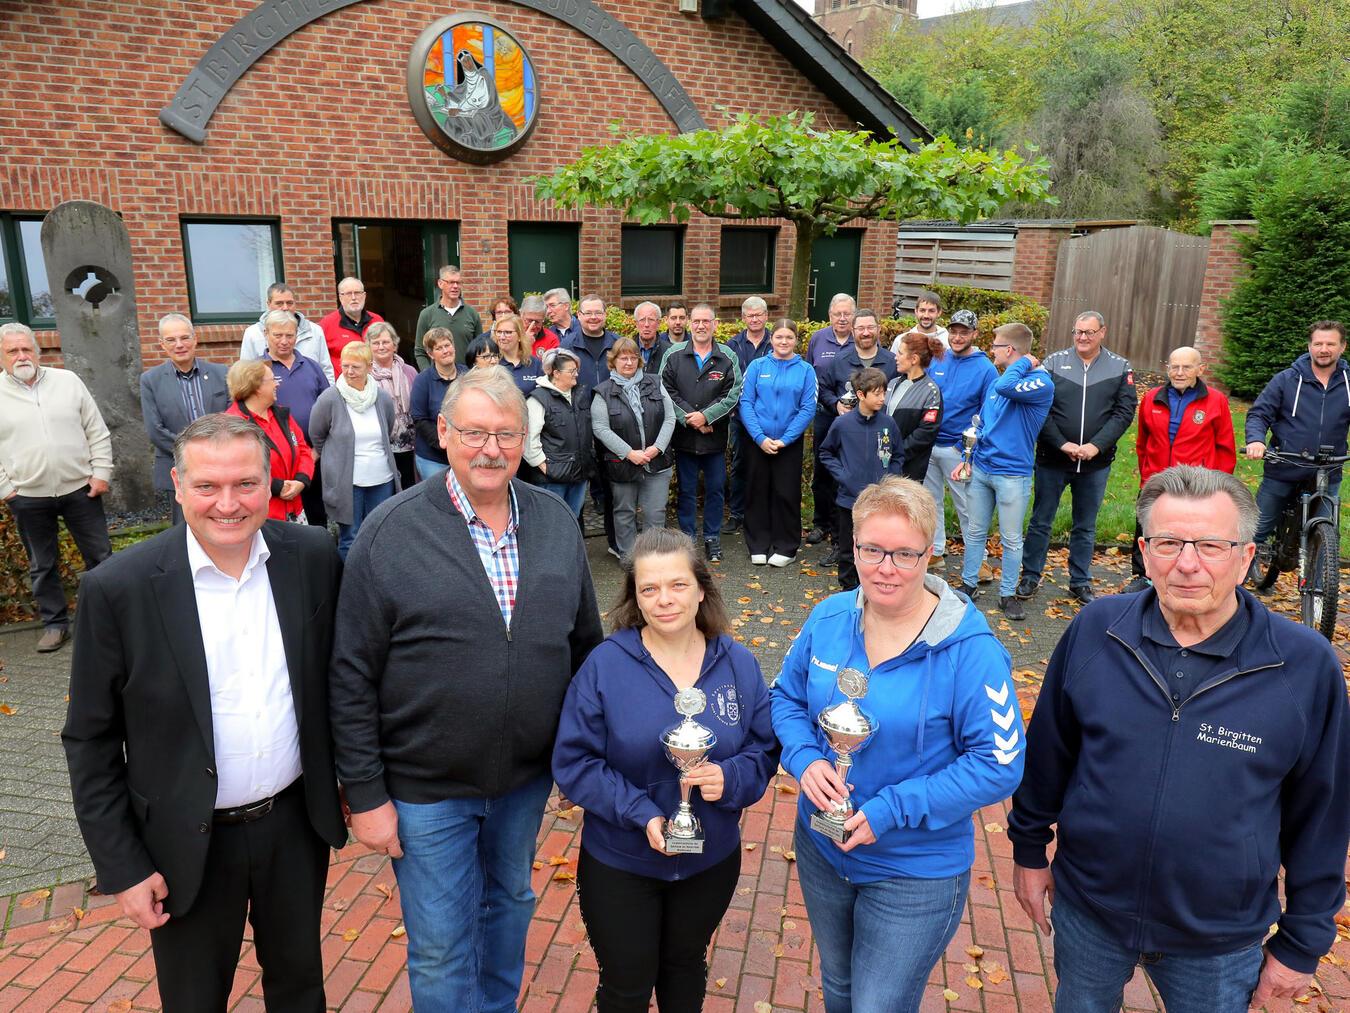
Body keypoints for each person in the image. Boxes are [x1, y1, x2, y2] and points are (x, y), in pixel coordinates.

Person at [1008, 465, 1350, 1013]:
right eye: (1168, 543)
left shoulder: (1303, 667)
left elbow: (1323, 815)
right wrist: (1028, 850)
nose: (1187, 564)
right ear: (1145, 552)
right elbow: (1049, 754)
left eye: (1211, 545)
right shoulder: (1097, 630)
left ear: (1246, 557)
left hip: (1218, 942)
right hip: (1089, 912)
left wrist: (1303, 943)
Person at [330, 367, 604, 1013]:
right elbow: (349, 671)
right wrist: (365, 792)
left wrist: (583, 756)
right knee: (442, 945)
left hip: (524, 781)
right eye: (475, 431)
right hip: (428, 788)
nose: (491, 448)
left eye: (506, 433)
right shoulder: (391, 531)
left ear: (524, 437)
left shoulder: (555, 523)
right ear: (444, 434)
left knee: (508, 910)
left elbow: (584, 648)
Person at [62, 413, 347, 1012]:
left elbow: (338, 681)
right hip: (183, 842)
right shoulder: (119, 588)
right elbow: (90, 740)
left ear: (270, 481)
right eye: (207, 486)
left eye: (245, 483)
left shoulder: (314, 556)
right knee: (193, 999)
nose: (228, 504)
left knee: (301, 987)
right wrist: (122, 865)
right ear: (177, 484)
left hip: (294, 824)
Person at [771, 475, 1025, 1013]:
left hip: (913, 868)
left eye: (905, 554)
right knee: (838, 986)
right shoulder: (828, 617)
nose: (886, 568)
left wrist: (892, 808)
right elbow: (786, 699)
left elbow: (999, 764)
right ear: (855, 545)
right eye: (872, 550)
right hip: (823, 847)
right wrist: (805, 757)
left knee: (877, 1004)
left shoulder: (972, 650)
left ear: (930, 554)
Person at [552, 527, 778, 1012]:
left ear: (701, 588)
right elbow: (575, 761)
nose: (664, 600)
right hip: (621, 861)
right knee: (626, 986)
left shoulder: (737, 664)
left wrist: (730, 778)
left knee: (685, 969)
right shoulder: (606, 665)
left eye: (677, 585)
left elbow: (763, 748)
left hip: (710, 861)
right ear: (634, 597)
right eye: (649, 588)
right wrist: (642, 813)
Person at [0, 322, 113, 653]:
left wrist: (101, 473)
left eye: (26, 349)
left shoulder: (68, 382)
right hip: (28, 496)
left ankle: (111, 619)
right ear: (1, 357)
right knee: (43, 564)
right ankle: (55, 624)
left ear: (37, 351)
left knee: (101, 558)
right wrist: (6, 489)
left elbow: (96, 429)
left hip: (81, 490)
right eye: (12, 351)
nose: (21, 356)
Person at [1018, 311, 1136, 605]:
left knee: (1086, 524)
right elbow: (1039, 408)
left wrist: (1096, 445)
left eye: (1089, 332)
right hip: (1053, 459)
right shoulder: (1054, 363)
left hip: (1096, 462)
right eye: (1078, 332)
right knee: (1041, 520)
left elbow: (1124, 412)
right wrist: (1061, 443)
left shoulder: (1120, 367)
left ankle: (1079, 581)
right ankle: (1030, 575)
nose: (1082, 337)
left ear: (1102, 333)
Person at [956, 322, 1053, 620]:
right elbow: (982, 425)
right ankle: (968, 584)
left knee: (1011, 539)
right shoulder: (999, 383)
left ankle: (1007, 594)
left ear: (1009, 350)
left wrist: (1024, 361)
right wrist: (967, 457)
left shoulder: (1040, 383)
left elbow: (1007, 386)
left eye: (996, 345)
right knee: (975, 531)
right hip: (982, 468)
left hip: (1012, 474)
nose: (991, 350)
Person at [1243, 320, 1350, 582]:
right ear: (1309, 346)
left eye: (1330, 344)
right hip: (1284, 467)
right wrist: (1256, 440)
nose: (1323, 349)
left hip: (1328, 470)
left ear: (1342, 347)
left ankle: (1318, 597)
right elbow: (1259, 414)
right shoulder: (1287, 379)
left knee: (1326, 539)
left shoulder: (1348, 383)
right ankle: (1232, 586)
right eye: (1318, 343)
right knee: (1256, 530)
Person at [1124, 345, 1235, 593]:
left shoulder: (1216, 401)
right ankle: (1143, 575)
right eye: (1174, 366)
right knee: (1147, 527)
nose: (1180, 372)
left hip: (1196, 483)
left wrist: (1218, 486)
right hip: (1157, 478)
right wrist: (1147, 476)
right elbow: (1143, 442)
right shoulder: (1152, 398)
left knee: (1190, 531)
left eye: (1186, 367)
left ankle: (1190, 573)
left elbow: (1225, 447)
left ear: (1200, 369)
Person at [661, 304, 744, 563]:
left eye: (705, 321)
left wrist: (707, 416)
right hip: (685, 438)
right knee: (686, 490)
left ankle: (712, 538)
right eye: (695, 321)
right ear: (689, 324)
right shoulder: (674, 354)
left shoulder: (727, 356)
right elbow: (665, 390)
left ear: (715, 324)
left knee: (716, 490)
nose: (700, 326)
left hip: (714, 439)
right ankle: (687, 538)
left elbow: (733, 393)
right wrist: (692, 419)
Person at [817, 367, 906, 590]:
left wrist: (889, 480)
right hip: (849, 500)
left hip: (879, 501)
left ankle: (871, 589)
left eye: (884, 393)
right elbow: (826, 452)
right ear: (860, 395)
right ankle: (848, 592)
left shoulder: (888, 424)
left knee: (875, 547)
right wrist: (844, 476)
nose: (882, 399)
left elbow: (898, 455)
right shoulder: (842, 424)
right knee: (848, 549)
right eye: (876, 394)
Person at [922, 309, 996, 572]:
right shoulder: (938, 359)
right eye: (953, 331)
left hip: (960, 449)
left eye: (964, 332)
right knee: (930, 503)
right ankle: (936, 551)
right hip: (930, 444)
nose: (957, 337)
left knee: (967, 506)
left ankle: (980, 560)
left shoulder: (986, 369)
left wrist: (969, 451)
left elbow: (989, 412)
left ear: (974, 334)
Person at [309, 342, 400, 559]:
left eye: (356, 367)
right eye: (345, 365)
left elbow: (387, 431)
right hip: (347, 483)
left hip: (381, 479)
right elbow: (317, 435)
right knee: (351, 538)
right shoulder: (330, 398)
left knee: (379, 534)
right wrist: (336, 459)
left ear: (369, 367)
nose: (349, 372)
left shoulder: (382, 399)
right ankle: (349, 588)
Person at [738, 318, 817, 566]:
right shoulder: (757, 366)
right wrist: (760, 438)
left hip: (788, 444)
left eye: (789, 337)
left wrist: (785, 439)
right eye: (779, 337)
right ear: (771, 339)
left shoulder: (805, 370)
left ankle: (786, 546)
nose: (784, 342)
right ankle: (758, 544)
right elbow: (746, 402)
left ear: (796, 340)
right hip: (757, 442)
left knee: (786, 494)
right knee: (756, 491)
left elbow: (807, 407)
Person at [140, 313, 230, 523]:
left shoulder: (221, 373)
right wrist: (194, 451)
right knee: (186, 526)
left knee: (224, 519)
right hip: (180, 467)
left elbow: (231, 416)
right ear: (162, 344)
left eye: (184, 338)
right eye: (171, 340)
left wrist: (216, 448)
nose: (179, 345)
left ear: (195, 338)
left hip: (222, 462)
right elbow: (155, 430)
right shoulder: (150, 380)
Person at [591, 338, 676, 557]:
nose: (628, 362)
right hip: (622, 464)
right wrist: (629, 453)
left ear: (639, 360)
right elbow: (600, 428)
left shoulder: (655, 383)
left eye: (632, 357)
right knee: (624, 512)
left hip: (656, 461)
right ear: (613, 361)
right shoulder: (603, 392)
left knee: (655, 513)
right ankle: (629, 559)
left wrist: (657, 448)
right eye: (623, 358)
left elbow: (670, 417)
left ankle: (652, 557)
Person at [258, 308, 332, 528]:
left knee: (317, 516)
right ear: (265, 334)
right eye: (277, 335)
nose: (284, 341)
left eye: (289, 335)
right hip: (276, 463)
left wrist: (317, 450)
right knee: (281, 524)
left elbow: (329, 409)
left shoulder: (311, 366)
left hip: (312, 456)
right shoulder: (257, 370)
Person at [225, 359, 313, 522]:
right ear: (256, 387)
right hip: (261, 517)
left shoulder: (281, 416)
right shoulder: (232, 425)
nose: (277, 384)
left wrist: (301, 480)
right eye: (273, 379)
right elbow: (234, 471)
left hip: (295, 510)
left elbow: (303, 449)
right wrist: (276, 486)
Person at [804, 294, 856, 551]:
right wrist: (833, 404)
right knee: (822, 470)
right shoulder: (818, 338)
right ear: (830, 315)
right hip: (825, 413)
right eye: (838, 314)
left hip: (855, 418)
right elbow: (810, 374)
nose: (842, 318)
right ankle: (820, 523)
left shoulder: (862, 338)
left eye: (847, 313)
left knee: (847, 470)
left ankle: (842, 527)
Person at [524, 348, 593, 518]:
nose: (576, 374)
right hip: (552, 479)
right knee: (552, 521)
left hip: (580, 473)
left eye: (576, 370)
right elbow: (528, 440)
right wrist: (545, 467)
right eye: (572, 371)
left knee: (572, 519)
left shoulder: (580, 395)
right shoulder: (538, 399)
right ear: (556, 373)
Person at [725, 296, 772, 534]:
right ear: (743, 318)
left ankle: (763, 513)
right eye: (750, 315)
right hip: (740, 417)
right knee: (740, 464)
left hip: (770, 418)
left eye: (759, 314)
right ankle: (737, 513)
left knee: (767, 466)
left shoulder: (776, 342)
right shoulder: (732, 345)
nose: (754, 319)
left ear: (766, 316)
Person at [240, 282, 335, 383]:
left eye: (289, 303)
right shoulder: (253, 333)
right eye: (279, 303)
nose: (285, 308)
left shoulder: (314, 331)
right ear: (268, 304)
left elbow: (326, 370)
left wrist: (326, 397)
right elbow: (245, 373)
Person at [885, 330, 945, 483]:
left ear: (914, 359)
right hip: (884, 464)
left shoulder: (930, 391)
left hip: (909, 470)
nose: (895, 357)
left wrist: (897, 453)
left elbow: (926, 433)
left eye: (900, 353)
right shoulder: (893, 383)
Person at [366, 321, 419, 491]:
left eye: (386, 342)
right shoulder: (365, 376)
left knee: (409, 487)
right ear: (369, 347)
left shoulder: (409, 371)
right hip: (381, 446)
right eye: (376, 343)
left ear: (394, 345)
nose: (381, 346)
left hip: (410, 444)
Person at [409, 328, 466, 481]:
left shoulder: (467, 375)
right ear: (430, 354)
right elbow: (419, 419)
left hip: (465, 453)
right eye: (439, 348)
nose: (445, 351)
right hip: (433, 458)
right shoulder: (423, 381)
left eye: (447, 345)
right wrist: (445, 443)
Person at [414, 265, 482, 370]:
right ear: (440, 284)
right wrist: (428, 375)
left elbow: (480, 349)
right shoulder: (427, 314)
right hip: (438, 379)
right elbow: (420, 351)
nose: (455, 286)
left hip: (466, 379)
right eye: (450, 282)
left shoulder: (472, 314)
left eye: (458, 283)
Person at [320, 276, 384, 377]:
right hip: (343, 387)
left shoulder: (377, 321)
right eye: (349, 294)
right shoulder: (327, 324)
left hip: (376, 384)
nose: (354, 297)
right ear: (340, 297)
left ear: (364, 296)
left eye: (357, 293)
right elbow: (320, 362)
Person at [494, 314, 544, 394]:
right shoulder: (493, 362)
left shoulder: (535, 364)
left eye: (508, 332)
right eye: (499, 332)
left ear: (520, 336)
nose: (502, 337)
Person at [632, 300, 671, 371]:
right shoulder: (627, 350)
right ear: (636, 324)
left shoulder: (669, 352)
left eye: (651, 319)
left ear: (658, 323)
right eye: (642, 320)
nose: (646, 324)